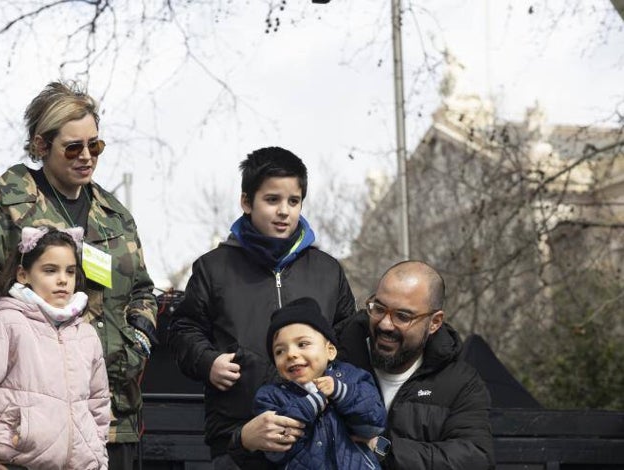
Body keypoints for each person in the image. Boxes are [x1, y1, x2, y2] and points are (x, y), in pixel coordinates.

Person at [0, 81, 157, 469]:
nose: (87, 157)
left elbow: (142, 289)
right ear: (41, 145)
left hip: (113, 418)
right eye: (73, 147)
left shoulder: (114, 214)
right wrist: (28, 335)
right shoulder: (8, 199)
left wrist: (138, 343)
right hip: (31, 425)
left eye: (95, 146)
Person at [167, 146, 357, 469]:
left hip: (318, 439)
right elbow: (183, 331)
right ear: (246, 202)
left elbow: (347, 342)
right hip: (239, 439)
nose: (284, 211)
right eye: (272, 200)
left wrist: (332, 391)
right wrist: (208, 362)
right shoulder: (212, 269)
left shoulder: (328, 271)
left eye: (293, 201)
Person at [0, 226, 110, 470]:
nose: (63, 279)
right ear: (23, 275)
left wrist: (97, 455)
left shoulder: (86, 336)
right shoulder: (5, 323)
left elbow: (98, 404)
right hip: (16, 463)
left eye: (70, 271)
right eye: (50, 270)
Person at [336, 260, 495, 469]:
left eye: (402, 316)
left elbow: (475, 459)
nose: (385, 324)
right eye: (379, 308)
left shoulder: (460, 383)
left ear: (435, 322)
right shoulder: (334, 357)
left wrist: (384, 449)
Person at [254, 297, 386, 469]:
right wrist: (310, 404)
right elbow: (276, 451)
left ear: (330, 351)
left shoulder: (352, 377)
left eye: (302, 344)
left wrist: (342, 392)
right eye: (280, 351)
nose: (291, 354)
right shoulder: (269, 396)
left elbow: (374, 422)